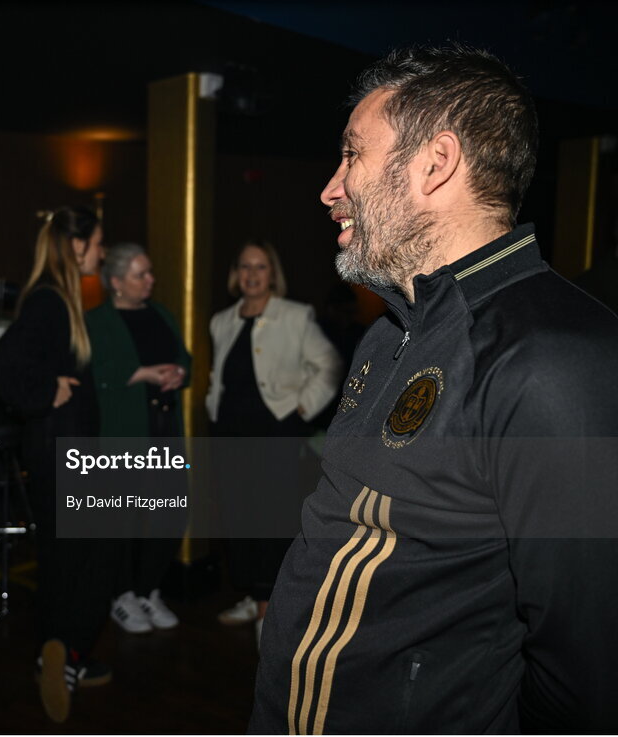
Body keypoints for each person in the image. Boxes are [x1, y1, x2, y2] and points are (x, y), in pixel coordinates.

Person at [250, 45, 618, 734]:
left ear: (436, 162)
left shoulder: (557, 359)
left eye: (351, 155)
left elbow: (586, 677)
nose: (331, 188)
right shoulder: (388, 335)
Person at [0, 205, 112, 723]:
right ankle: (58, 654)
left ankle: (67, 655)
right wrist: (46, 390)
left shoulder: (60, 298)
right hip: (62, 454)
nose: (102, 252)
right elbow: (5, 365)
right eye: (98, 243)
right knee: (74, 561)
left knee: (78, 558)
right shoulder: (49, 301)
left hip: (66, 453)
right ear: (77, 246)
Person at [206, 241, 341, 646]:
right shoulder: (221, 321)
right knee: (238, 519)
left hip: (274, 434)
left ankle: (269, 608)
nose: (252, 274)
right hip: (229, 434)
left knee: (270, 521)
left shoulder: (295, 315)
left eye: (260, 267)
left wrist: (300, 409)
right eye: (245, 266)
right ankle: (254, 596)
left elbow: (329, 366)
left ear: (272, 273)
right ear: (236, 273)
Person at [85, 242, 191, 634]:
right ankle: (122, 595)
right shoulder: (96, 321)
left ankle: (148, 589)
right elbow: (93, 372)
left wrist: (180, 372)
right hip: (124, 432)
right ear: (115, 281)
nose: (150, 280)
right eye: (140, 275)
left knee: (170, 511)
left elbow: (184, 357)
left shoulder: (160, 313)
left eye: (149, 272)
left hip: (164, 428)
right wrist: (140, 374)